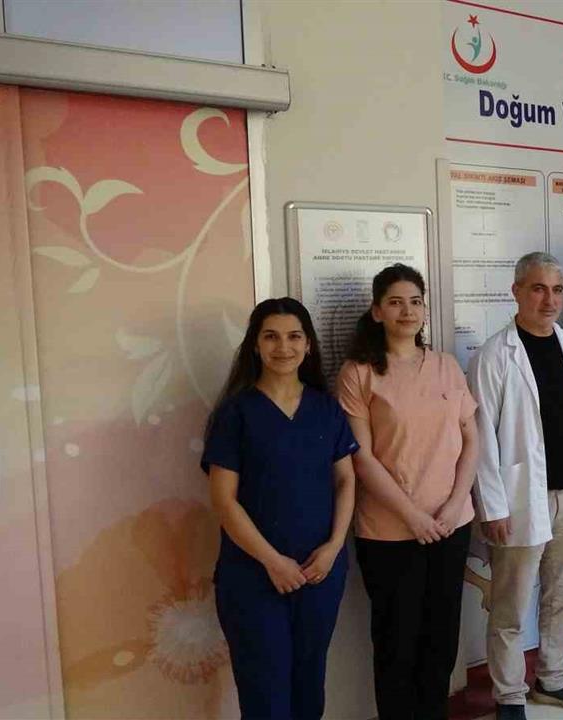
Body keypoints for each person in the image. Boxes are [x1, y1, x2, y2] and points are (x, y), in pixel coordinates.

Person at [201, 298, 357, 720]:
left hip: (319, 572)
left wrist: (333, 548)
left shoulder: (326, 409)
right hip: (253, 577)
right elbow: (224, 500)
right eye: (271, 336)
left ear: (308, 345)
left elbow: (346, 481)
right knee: (265, 697)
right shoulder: (235, 414)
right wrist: (272, 561)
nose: (283, 347)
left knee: (309, 693)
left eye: (293, 337)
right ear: (255, 345)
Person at [336, 264, 479, 720]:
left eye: (415, 301)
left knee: (441, 639)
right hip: (389, 533)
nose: (407, 311)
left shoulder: (446, 366)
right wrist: (413, 516)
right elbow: (361, 456)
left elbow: (471, 439)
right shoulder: (359, 373)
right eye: (395, 302)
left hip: (450, 525)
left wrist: (454, 506)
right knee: (396, 644)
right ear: (377, 311)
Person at [469, 252, 563, 720]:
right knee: (510, 605)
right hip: (520, 499)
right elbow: (481, 438)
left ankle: (554, 678)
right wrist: (492, 505)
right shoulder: (493, 355)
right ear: (517, 292)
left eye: (557, 289)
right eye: (538, 289)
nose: (549, 300)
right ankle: (509, 693)